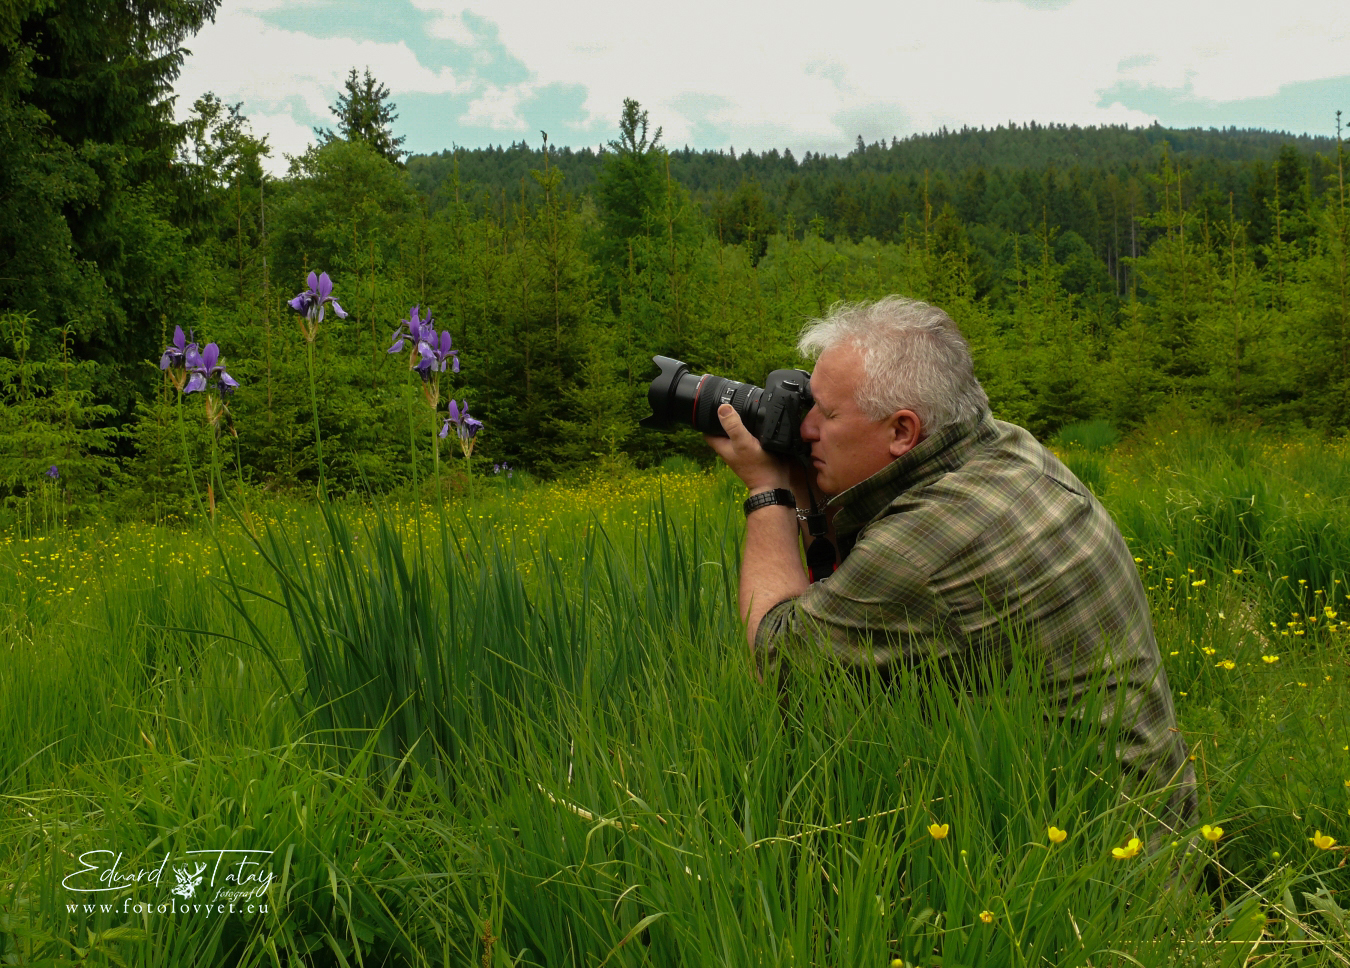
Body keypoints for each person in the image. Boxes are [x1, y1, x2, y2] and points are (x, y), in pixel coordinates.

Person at [704, 295, 1196, 832]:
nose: (804, 428)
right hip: (1147, 816)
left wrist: (767, 490)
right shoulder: (1005, 450)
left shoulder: (928, 544)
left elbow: (779, 660)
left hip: (1094, 863)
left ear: (902, 432)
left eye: (827, 412)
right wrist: (810, 485)